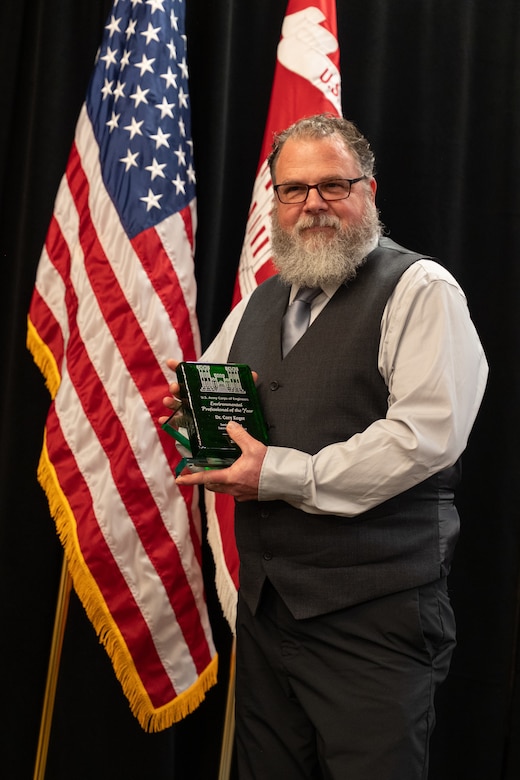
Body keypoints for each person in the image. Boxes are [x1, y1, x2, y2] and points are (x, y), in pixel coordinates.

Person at [161, 114, 488, 780]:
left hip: (376, 624)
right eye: (293, 189)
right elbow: (222, 405)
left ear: (369, 190)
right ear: (274, 203)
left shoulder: (422, 290)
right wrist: (198, 416)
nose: (312, 203)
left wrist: (278, 472)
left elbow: (424, 437)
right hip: (268, 616)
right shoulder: (258, 303)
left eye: (332, 185)